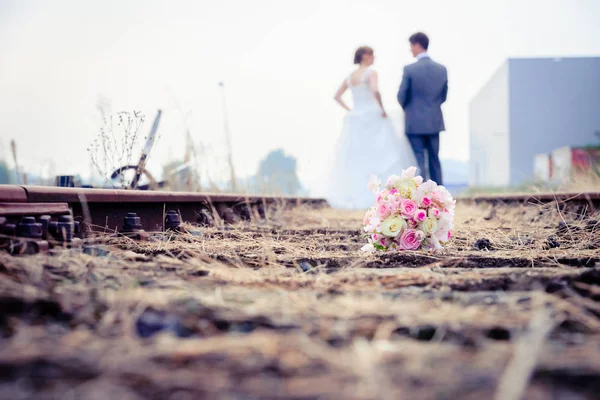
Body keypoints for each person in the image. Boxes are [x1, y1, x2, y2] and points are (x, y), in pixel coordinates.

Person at [327, 46, 415, 209]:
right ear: (365, 56)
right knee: (381, 152)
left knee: (357, 156)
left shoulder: (350, 76)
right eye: (372, 55)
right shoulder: (371, 73)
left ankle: (359, 192)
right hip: (372, 114)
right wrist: (381, 108)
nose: (374, 58)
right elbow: (375, 90)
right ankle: (383, 192)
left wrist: (351, 110)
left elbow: (337, 96)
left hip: (356, 117)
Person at [398, 32, 448, 184]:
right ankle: (439, 196)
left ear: (417, 45)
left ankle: (422, 198)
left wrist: (411, 109)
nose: (410, 50)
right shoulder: (441, 69)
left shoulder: (409, 69)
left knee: (418, 162)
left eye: (411, 46)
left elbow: (401, 96)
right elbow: (443, 96)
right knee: (434, 160)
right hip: (434, 122)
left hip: (414, 123)